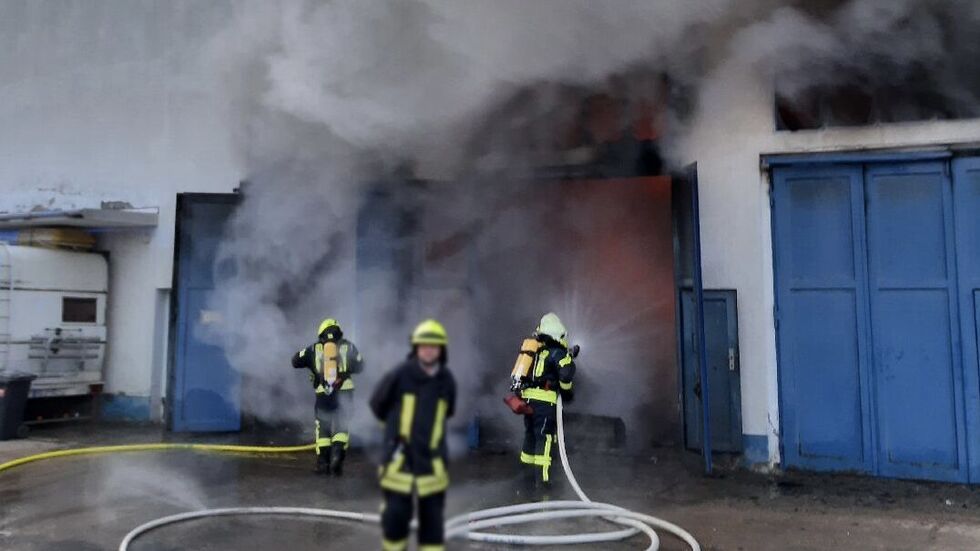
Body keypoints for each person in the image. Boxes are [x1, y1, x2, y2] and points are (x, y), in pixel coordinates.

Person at [370, 319, 456, 551]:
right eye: (423, 345)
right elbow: (378, 403)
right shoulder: (400, 375)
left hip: (432, 464)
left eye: (433, 346)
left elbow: (448, 412)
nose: (428, 350)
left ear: (441, 349)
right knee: (395, 523)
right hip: (400, 462)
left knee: (432, 532)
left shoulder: (446, 381)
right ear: (416, 348)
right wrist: (393, 433)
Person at [291, 318, 363, 475]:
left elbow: (295, 360)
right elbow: (360, 365)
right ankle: (337, 455)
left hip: (323, 394)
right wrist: (344, 372)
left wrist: (315, 370)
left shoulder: (314, 349)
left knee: (322, 427)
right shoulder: (348, 347)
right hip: (345, 392)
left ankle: (323, 463)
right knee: (342, 425)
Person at [517, 312, 577, 488]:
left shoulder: (536, 353)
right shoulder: (558, 353)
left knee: (531, 437)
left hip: (529, 402)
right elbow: (566, 375)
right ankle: (544, 481)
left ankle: (525, 477)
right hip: (545, 404)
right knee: (545, 439)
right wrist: (567, 393)